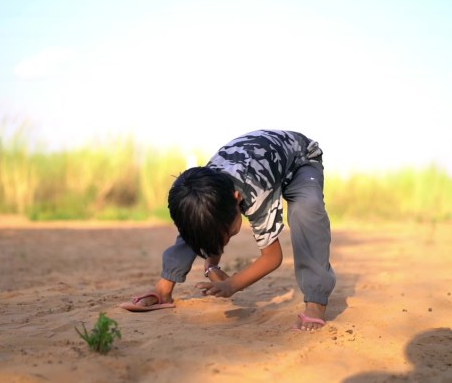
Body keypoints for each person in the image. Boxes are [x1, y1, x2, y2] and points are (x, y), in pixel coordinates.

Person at [119, 129, 336, 331]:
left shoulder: (256, 191)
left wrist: (231, 285)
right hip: (258, 161)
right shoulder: (204, 186)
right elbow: (206, 228)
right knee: (196, 218)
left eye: (227, 235)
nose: (223, 244)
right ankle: (163, 290)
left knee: (308, 210)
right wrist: (211, 265)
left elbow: (272, 257)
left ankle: (316, 301)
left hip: (300, 160)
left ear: (237, 200)